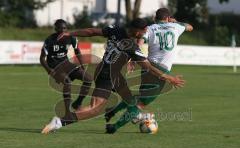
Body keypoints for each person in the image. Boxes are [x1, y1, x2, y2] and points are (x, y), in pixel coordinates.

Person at [41, 18, 185, 134]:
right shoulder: (132, 47)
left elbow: (91, 31)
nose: (144, 34)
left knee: (130, 98)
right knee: (94, 109)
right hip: (107, 75)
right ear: (136, 31)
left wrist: (71, 33)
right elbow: (149, 67)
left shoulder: (116, 29)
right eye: (143, 31)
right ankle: (59, 122)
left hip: (106, 71)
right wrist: (169, 78)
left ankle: (138, 116)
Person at [105, 8, 193, 125]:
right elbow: (190, 27)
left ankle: (112, 111)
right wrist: (175, 22)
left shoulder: (150, 28)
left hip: (147, 67)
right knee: (141, 104)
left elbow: (140, 40)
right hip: (161, 70)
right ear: (167, 18)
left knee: (139, 98)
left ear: (155, 18)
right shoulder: (176, 27)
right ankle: (115, 126)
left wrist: (134, 57)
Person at [40, 19, 93, 117]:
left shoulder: (71, 37)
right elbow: (42, 58)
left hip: (66, 64)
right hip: (54, 66)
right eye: (60, 28)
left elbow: (77, 51)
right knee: (67, 82)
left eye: (64, 28)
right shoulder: (50, 40)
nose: (63, 30)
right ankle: (67, 112)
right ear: (56, 29)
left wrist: (82, 65)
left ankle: (78, 103)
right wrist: (49, 71)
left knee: (88, 78)